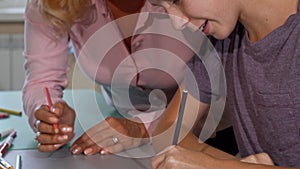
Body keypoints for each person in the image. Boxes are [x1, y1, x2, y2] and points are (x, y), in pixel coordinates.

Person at [23, 0, 197, 155]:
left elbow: (215, 87)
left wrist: (144, 128)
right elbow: (42, 81)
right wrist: (48, 114)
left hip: (201, 131)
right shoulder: (51, 4)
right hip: (122, 136)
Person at [150, 0, 300, 168]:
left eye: (176, 1)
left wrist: (215, 165)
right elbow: (169, 130)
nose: (176, 23)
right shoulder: (221, 43)